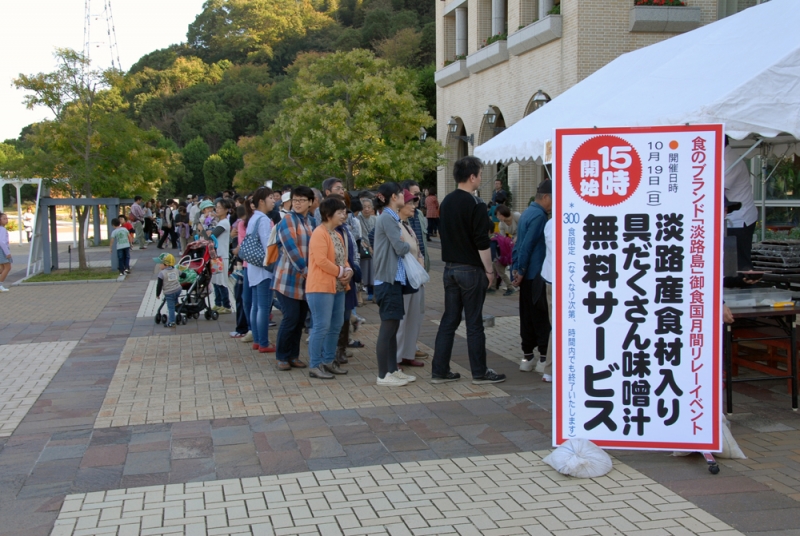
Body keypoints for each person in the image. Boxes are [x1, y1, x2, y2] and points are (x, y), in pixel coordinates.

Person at [431, 156, 506, 385]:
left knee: (449, 321)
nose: (481, 178)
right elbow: (482, 242)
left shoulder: (447, 202)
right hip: (471, 270)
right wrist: (490, 271)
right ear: (472, 177)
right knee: (474, 323)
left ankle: (440, 371)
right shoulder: (476, 204)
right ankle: (479, 372)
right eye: (480, 174)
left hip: (450, 269)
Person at [372, 182, 416, 387]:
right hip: (387, 281)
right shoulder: (388, 218)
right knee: (388, 328)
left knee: (393, 326)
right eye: (400, 194)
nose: (403, 197)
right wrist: (410, 245)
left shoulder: (390, 217)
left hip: (392, 280)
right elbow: (399, 247)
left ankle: (392, 370)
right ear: (392, 197)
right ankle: (383, 374)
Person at [306, 197, 352, 379]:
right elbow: (321, 261)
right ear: (328, 214)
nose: (344, 215)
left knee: (336, 325)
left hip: (338, 286)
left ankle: (328, 360)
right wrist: (342, 271)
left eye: (345, 212)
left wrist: (347, 270)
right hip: (321, 287)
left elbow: (343, 258)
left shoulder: (337, 234)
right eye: (340, 212)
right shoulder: (319, 233)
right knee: (321, 326)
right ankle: (315, 364)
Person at [272, 186, 316, 371]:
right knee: (290, 318)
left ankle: (293, 355)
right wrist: (305, 269)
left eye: (302, 200)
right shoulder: (288, 220)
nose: (297, 203)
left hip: (306, 281)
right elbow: (291, 248)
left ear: (310, 202)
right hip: (288, 279)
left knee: (299, 320)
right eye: (295, 200)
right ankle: (282, 356)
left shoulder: (311, 222)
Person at [512, 180, 552, 376]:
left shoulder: (528, 212)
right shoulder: (539, 216)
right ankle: (543, 358)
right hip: (536, 273)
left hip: (527, 273)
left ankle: (527, 357)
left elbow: (518, 244)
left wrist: (517, 268)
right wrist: (521, 268)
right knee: (540, 316)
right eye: (553, 199)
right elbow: (527, 244)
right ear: (545, 197)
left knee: (527, 315)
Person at [396, 190, 426, 369]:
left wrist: (421, 261)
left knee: (414, 317)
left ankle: (408, 353)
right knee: (401, 319)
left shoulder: (407, 225)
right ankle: (397, 357)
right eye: (410, 203)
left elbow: (418, 249)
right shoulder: (395, 225)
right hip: (404, 278)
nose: (414, 206)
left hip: (416, 277)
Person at [246, 188, 277, 353]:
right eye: (270, 197)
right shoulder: (263, 219)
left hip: (253, 267)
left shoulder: (253, 218)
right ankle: (264, 343)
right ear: (261, 202)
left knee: (256, 306)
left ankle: (258, 340)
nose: (274, 200)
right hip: (264, 269)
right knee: (263, 307)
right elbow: (268, 246)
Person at [725, 142, 758, 271]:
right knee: (730, 260)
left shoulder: (729, 159)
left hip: (739, 218)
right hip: (732, 217)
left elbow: (718, 189)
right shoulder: (722, 158)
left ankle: (745, 285)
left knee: (739, 261)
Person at [208, 199, 233, 314]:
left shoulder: (224, 223)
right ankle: (218, 303)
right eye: (216, 207)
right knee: (216, 280)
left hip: (222, 256)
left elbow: (212, 235)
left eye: (219, 208)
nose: (217, 209)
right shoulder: (220, 221)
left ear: (226, 210)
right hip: (216, 256)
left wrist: (202, 230)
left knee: (222, 281)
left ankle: (226, 305)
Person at [538, 217, 554, 382]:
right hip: (562, 282)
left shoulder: (550, 222)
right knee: (558, 327)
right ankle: (550, 370)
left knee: (556, 327)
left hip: (552, 279)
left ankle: (549, 370)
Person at [357, 195, 377, 301]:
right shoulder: (358, 219)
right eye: (364, 207)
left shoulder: (375, 219)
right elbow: (360, 235)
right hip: (364, 249)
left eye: (369, 207)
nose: (367, 209)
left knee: (374, 271)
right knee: (365, 271)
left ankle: (374, 293)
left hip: (375, 248)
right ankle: (364, 293)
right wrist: (367, 246)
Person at [155, 253, 181, 328]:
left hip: (169, 292)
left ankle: (172, 322)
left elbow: (159, 285)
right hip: (178, 290)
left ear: (166, 264)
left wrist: (157, 294)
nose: (159, 265)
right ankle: (176, 303)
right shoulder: (176, 270)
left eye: (160, 263)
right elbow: (183, 274)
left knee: (171, 307)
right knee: (175, 297)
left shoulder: (162, 273)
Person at [0, 212, 11, 292]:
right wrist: (7, 253)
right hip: (2, 250)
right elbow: (2, 242)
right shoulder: (2, 229)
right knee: (7, 267)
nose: (6, 220)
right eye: (4, 218)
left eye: (6, 218)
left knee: (2, 268)